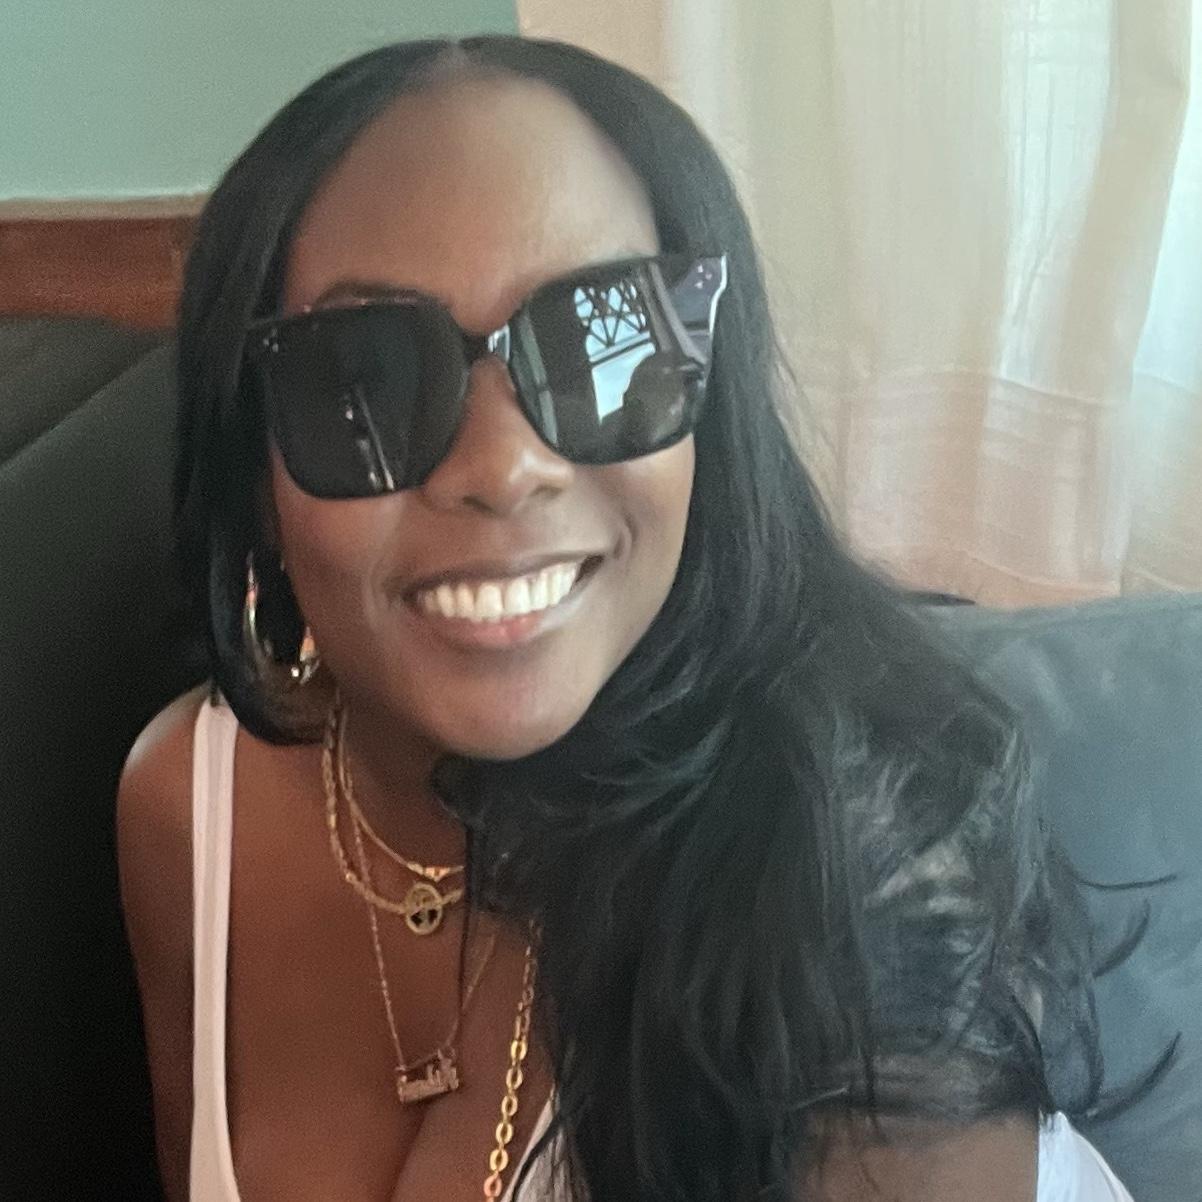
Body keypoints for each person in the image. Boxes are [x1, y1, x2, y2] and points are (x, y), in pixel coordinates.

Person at [116, 36, 1137, 1202]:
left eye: (600, 341)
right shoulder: (186, 808)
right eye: (365, 382)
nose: (503, 467)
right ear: (252, 466)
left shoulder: (850, 906)